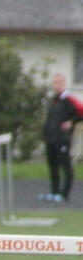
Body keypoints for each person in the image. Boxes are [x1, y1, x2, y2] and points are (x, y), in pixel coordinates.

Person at [41, 73, 83, 202]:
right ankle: (54, 191)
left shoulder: (68, 99)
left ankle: (65, 193)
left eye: (59, 83)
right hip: (51, 138)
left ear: (64, 84)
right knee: (52, 165)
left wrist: (72, 122)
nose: (56, 86)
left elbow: (81, 112)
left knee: (65, 166)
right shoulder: (53, 100)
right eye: (55, 83)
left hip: (62, 138)